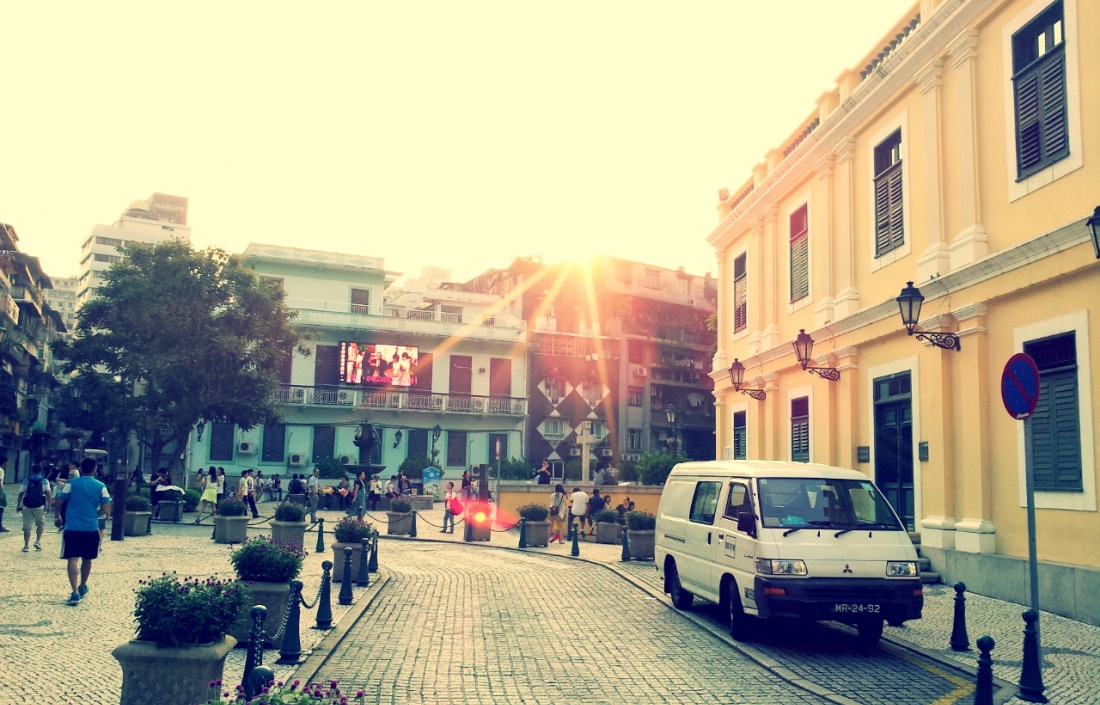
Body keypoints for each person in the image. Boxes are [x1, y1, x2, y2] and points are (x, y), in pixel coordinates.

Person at [56, 456, 111, 606]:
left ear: (81, 468)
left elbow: (59, 501)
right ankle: (82, 586)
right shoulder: (101, 486)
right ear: (95, 469)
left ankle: (74, 592)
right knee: (87, 558)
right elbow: (106, 509)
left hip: (72, 527)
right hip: (91, 528)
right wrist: (95, 514)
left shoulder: (72, 484)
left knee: (72, 558)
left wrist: (57, 516)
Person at [17, 462, 53, 552]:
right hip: (39, 506)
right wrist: (49, 506)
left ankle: (26, 545)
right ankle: (38, 541)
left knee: (27, 526)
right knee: (40, 524)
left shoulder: (26, 480)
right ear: (41, 471)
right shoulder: (44, 481)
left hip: (27, 505)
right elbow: (49, 494)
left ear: (32, 470)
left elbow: (21, 493)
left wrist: (18, 505)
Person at [0, 455, 8, 532]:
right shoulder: (1, 470)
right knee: (1, 509)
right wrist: (1, 493)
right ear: (4, 462)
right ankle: (0, 526)